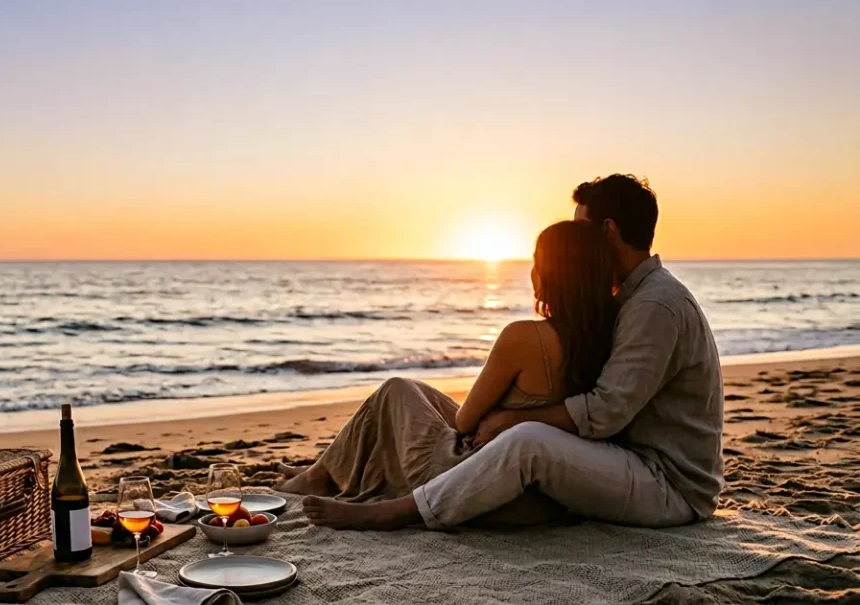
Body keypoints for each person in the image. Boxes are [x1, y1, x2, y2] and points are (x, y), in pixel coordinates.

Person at [301, 175, 725, 531]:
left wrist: (512, 418)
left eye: (581, 230)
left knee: (526, 440)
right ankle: (324, 475)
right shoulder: (625, 302)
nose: (576, 243)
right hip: (628, 462)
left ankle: (397, 511)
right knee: (419, 395)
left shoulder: (654, 305)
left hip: (666, 484)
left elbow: (606, 411)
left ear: (608, 231)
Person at [278, 217, 618, 526]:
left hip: (473, 481)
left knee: (395, 390)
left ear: (550, 273)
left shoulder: (526, 336)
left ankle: (319, 475)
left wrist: (497, 418)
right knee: (416, 390)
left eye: (536, 263)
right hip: (543, 499)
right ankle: (322, 469)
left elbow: (465, 422)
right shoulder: (611, 336)